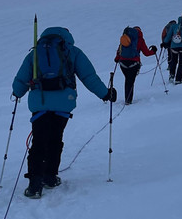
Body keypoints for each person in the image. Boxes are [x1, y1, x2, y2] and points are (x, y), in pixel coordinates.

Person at [12, 26, 115, 198]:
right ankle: (50, 177)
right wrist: (105, 94)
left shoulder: (35, 53)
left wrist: (17, 92)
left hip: (40, 102)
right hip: (63, 103)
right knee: (55, 138)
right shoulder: (72, 51)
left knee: (38, 141)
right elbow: (89, 76)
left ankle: (34, 185)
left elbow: (21, 80)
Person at [114, 25, 156, 105]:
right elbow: (146, 53)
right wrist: (153, 51)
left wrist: (117, 58)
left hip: (123, 63)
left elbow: (120, 49)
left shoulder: (125, 37)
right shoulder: (140, 39)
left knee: (128, 80)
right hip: (134, 64)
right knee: (130, 81)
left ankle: (127, 99)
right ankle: (128, 100)